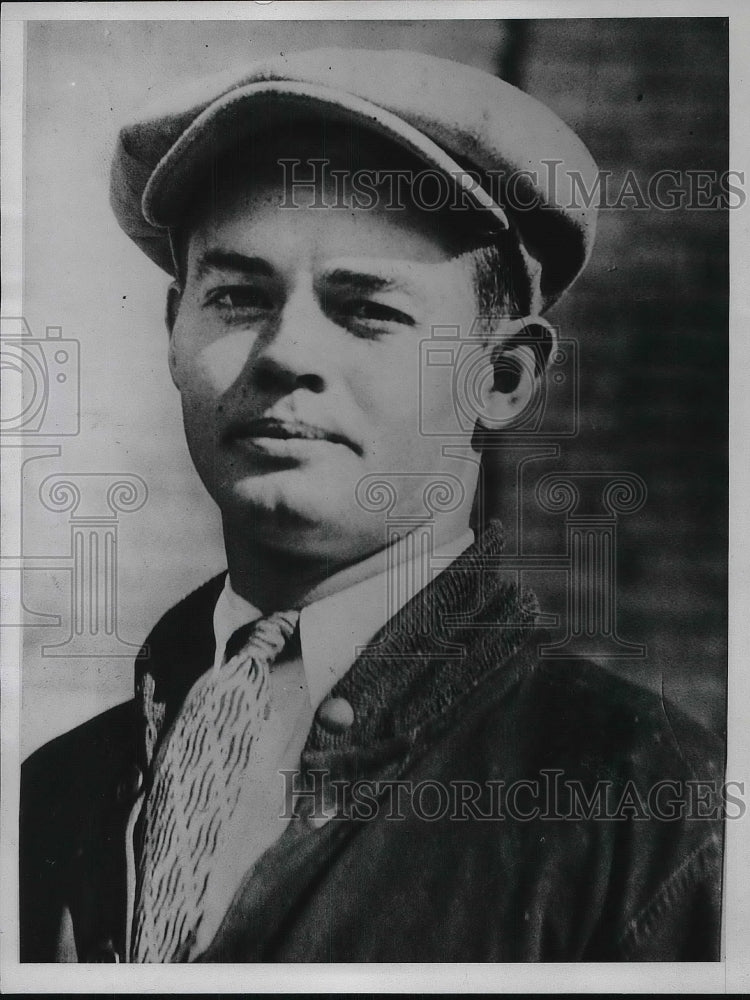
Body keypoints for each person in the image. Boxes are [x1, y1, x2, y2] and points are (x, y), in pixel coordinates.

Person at [20, 47, 724, 963]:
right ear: (171, 330)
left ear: (503, 376)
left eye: (368, 310)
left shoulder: (641, 800)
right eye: (237, 296)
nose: (284, 354)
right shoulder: (59, 792)